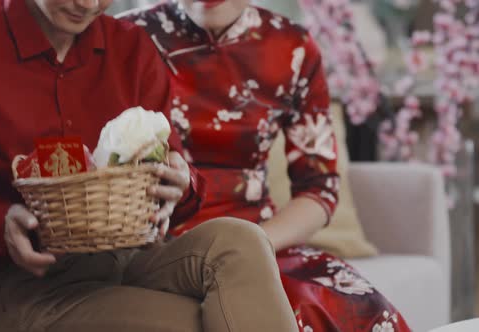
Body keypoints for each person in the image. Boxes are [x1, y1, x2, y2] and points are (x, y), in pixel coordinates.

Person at [0, 0, 299, 331]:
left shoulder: (131, 49)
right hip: (20, 284)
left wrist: (182, 183)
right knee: (197, 322)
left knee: (241, 240)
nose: (87, 4)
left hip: (132, 257)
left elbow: (169, 159)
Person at [119, 1, 412, 331]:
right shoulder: (124, 38)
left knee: (364, 310)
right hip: (160, 250)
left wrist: (248, 248)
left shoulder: (294, 46)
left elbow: (319, 188)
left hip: (262, 239)